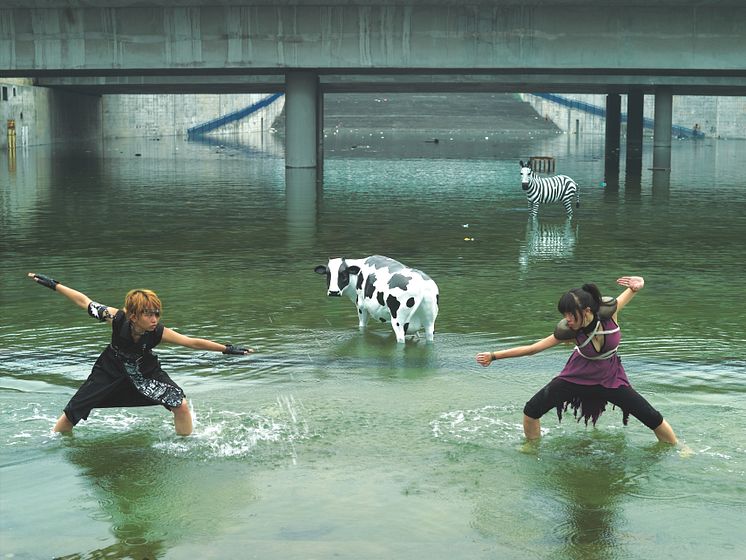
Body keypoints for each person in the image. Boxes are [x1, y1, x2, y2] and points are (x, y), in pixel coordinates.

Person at [27, 272, 254, 436]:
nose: (154, 319)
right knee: (73, 411)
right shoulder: (115, 317)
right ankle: (55, 442)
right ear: (133, 315)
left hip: (145, 371)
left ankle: (185, 446)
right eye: (148, 314)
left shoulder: (159, 332)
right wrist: (53, 284)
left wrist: (226, 349)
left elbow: (191, 342)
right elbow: (83, 301)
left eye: (156, 313)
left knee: (181, 405)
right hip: (110, 368)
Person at [476, 276, 677, 444]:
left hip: (611, 378)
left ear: (587, 311)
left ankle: (676, 447)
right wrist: (494, 356)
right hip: (576, 377)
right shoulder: (570, 332)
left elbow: (634, 289)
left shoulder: (610, 313)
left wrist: (638, 284)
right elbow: (532, 349)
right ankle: (532, 448)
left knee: (652, 417)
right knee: (531, 411)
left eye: (570, 315)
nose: (567, 320)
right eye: (565, 315)